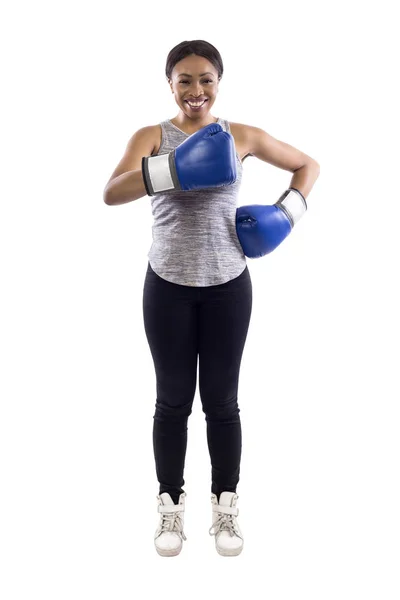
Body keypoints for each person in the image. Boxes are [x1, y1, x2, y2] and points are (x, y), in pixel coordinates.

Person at [103, 40, 320, 558]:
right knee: (172, 401)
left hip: (228, 286)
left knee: (222, 402)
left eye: (205, 79)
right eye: (184, 80)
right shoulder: (151, 137)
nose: (196, 90)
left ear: (218, 82)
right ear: (170, 84)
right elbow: (111, 191)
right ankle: (170, 505)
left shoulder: (241, 135)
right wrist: (172, 169)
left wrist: (287, 216)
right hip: (167, 287)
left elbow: (308, 165)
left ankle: (225, 504)